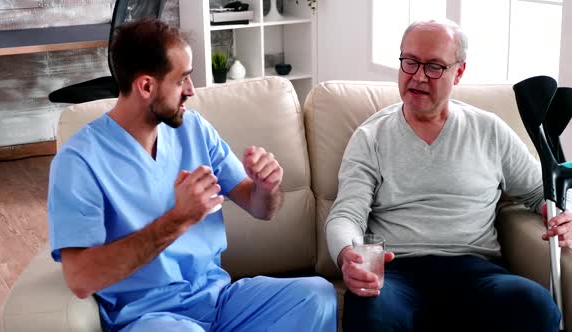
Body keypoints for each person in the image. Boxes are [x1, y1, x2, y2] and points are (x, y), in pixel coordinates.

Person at [48, 18, 337, 332]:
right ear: (146, 86)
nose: (191, 90)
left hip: (219, 300)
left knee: (316, 295)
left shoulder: (194, 128)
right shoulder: (79, 161)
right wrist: (179, 218)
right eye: (182, 79)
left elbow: (260, 208)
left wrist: (267, 187)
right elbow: (80, 279)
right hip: (148, 317)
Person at [326, 19, 572, 332]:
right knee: (370, 312)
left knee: (535, 306)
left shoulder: (489, 130)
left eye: (433, 67)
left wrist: (566, 214)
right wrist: (348, 254)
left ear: (459, 71)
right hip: (396, 271)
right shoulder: (371, 136)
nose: (417, 76)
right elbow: (346, 214)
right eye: (410, 62)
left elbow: (543, 191)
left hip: (476, 270)